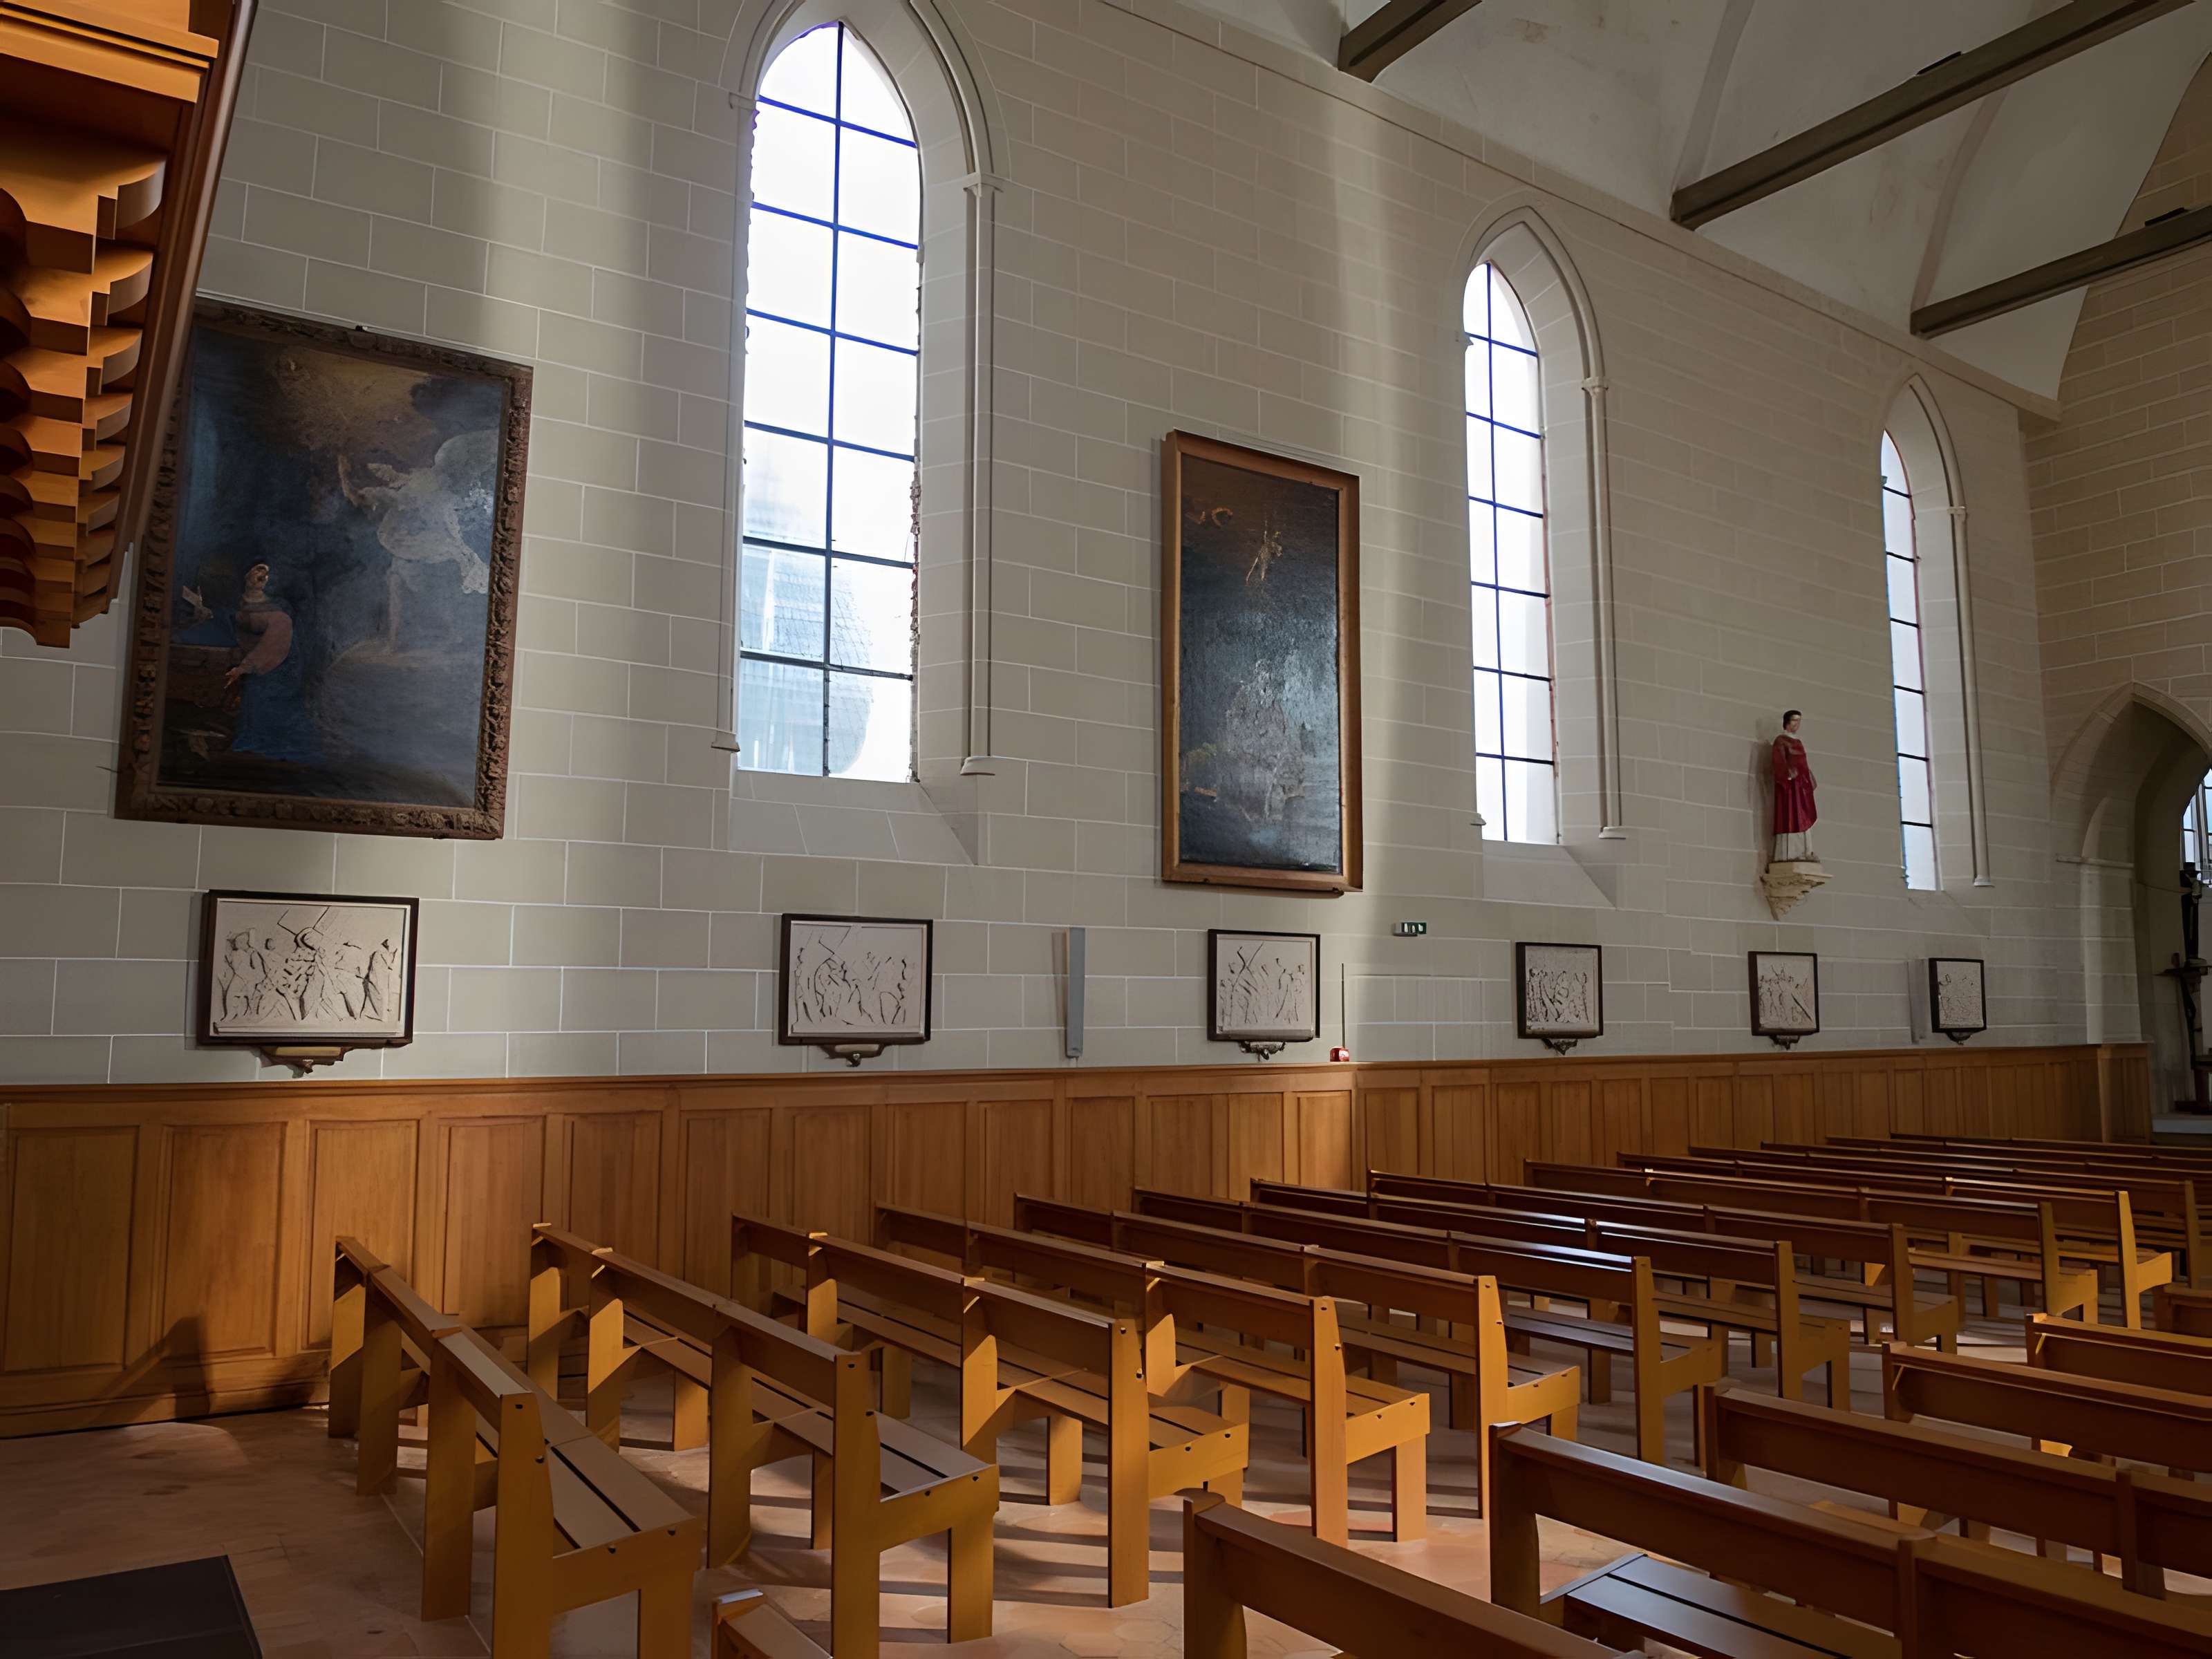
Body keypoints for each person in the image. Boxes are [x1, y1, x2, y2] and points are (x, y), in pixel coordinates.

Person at [224, 562, 322, 763]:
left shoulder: (279, 611)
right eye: (258, 570)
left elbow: (274, 640)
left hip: (280, 664)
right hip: (262, 659)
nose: (262, 576)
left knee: (269, 701)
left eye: (266, 574)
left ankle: (269, 747)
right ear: (247, 574)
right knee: (255, 701)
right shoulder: (240, 602)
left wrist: (244, 667)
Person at [1771, 709, 1817, 861]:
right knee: (1791, 815)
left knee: (1804, 814)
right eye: (1794, 720)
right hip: (1790, 788)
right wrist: (1788, 774)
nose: (1797, 724)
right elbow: (1778, 762)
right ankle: (1791, 853)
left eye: (1799, 721)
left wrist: (1809, 775)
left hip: (1801, 787)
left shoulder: (1798, 742)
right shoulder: (1781, 740)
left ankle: (1806, 852)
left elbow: (1803, 763)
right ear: (1787, 722)